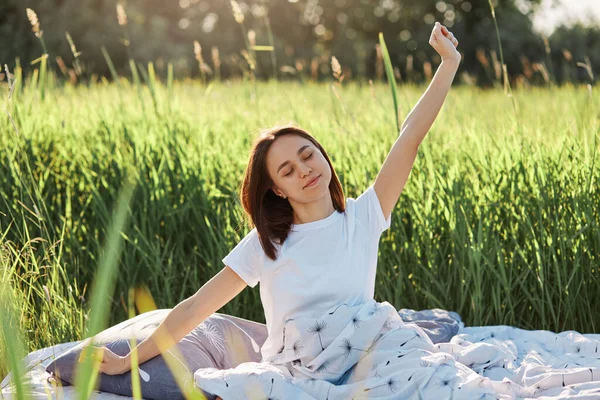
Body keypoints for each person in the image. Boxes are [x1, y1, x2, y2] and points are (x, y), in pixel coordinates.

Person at [84, 21, 461, 398]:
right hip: (296, 372)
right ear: (277, 190)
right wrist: (125, 361)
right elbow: (196, 307)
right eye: (288, 171)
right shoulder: (266, 244)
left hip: (368, 360)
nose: (305, 170)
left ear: (322, 155)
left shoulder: (365, 216)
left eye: (307, 155)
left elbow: (410, 135)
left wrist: (448, 63)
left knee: (434, 378)